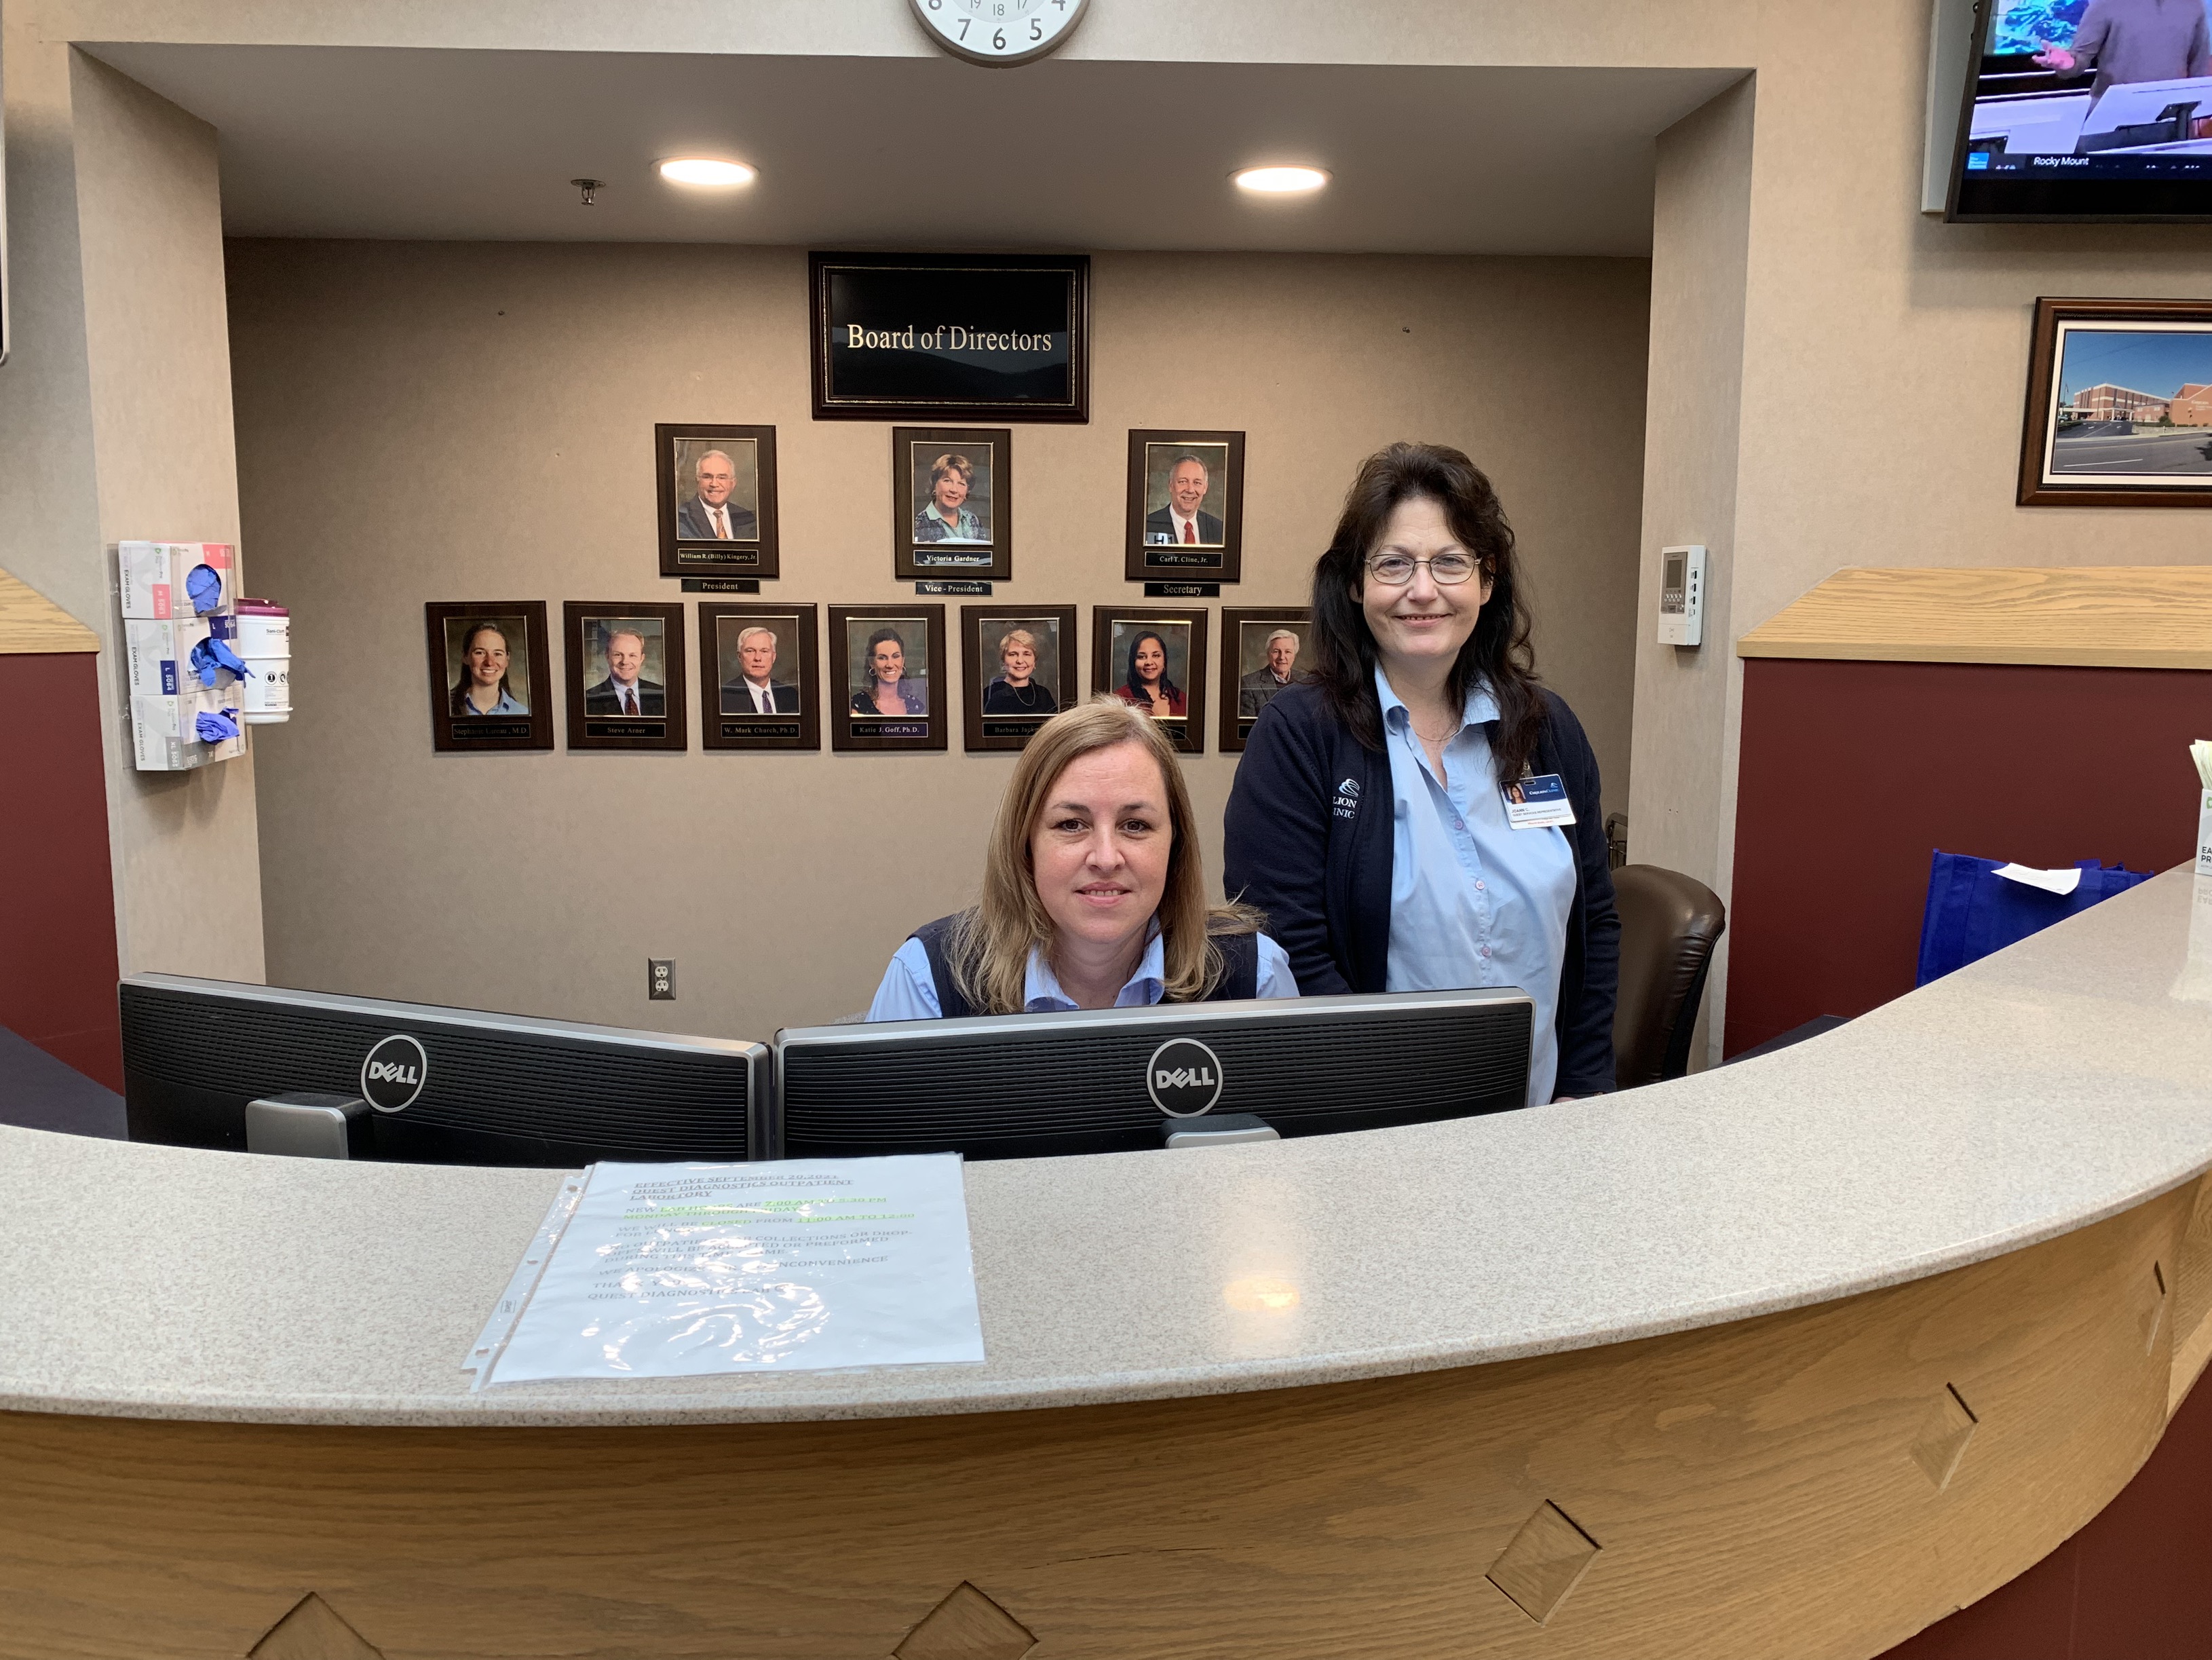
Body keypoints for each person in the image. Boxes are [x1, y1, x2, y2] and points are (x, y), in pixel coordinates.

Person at [1221, 441, 1619, 1107]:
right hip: (1371, 1128)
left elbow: (1594, 922)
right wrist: (1388, 1108)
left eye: (1449, 562)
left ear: (1487, 582)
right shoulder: (1300, 736)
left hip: (1541, 1119)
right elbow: (1285, 942)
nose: (1422, 589)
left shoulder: (1548, 730)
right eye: (1393, 564)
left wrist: (1582, 1088)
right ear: (1354, 583)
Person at [866, 698, 1297, 1018]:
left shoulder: (1254, 976)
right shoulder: (928, 980)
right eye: (1071, 824)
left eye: (1136, 825)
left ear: (1175, 845)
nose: (1106, 858)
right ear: (1025, 843)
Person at [2035, 0, 2211, 99]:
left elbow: (2199, 65)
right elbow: (2079, 60)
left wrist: (2197, 111)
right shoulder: (2106, 4)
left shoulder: (2193, 5)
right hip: (2110, 119)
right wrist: (2067, 63)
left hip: (2170, 120)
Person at [1143, 454, 1225, 547]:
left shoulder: (1219, 530)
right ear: (1171, 485)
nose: (1190, 490)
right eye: (1183, 482)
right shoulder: (1148, 526)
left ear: (1205, 488)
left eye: (1197, 483)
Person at [449, 620, 527, 717]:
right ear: (465, 657)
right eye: (480, 652)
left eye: (497, 654)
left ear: (507, 659)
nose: (489, 662)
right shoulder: (444, 706)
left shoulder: (521, 712)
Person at [676, 449, 757, 541]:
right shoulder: (680, 519)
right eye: (707, 477)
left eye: (722, 478)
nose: (714, 484)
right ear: (697, 480)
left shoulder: (747, 518)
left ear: (733, 483)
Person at [584, 627, 665, 717]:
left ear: (642, 658)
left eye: (632, 655)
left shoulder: (662, 696)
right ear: (607, 657)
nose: (625, 661)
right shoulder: (589, 700)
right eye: (618, 655)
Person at [720, 625, 799, 715]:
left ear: (773, 657)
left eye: (764, 651)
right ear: (739, 657)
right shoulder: (724, 697)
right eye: (750, 651)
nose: (758, 658)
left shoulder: (791, 695)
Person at [981, 626, 1060, 717]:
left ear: (1034, 662)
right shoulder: (990, 694)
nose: (1020, 661)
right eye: (1013, 654)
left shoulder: (1043, 694)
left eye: (1027, 654)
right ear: (1003, 661)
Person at [850, 626, 928, 717]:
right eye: (882, 658)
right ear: (872, 663)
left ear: (903, 661)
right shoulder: (859, 704)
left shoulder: (915, 705)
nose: (890, 665)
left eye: (895, 657)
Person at [1113, 628, 1187, 718]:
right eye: (1142, 657)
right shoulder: (1120, 699)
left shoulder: (1182, 699)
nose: (1149, 662)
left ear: (1164, 660)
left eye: (1156, 655)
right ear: (1133, 662)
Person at [913, 453, 985, 544]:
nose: (954, 490)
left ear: (968, 491)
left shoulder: (973, 520)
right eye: (947, 481)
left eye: (961, 484)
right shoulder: (919, 524)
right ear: (934, 484)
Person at [1238, 628, 1301, 717]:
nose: (1282, 657)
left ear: (1294, 656)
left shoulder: (1306, 681)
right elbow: (1248, 727)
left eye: (1288, 652)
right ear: (1268, 654)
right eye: (1276, 651)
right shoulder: (1249, 684)